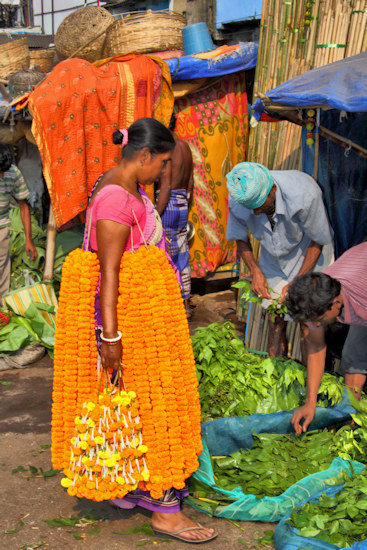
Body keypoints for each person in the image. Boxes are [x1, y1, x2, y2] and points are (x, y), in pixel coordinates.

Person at [83, 118, 217, 544]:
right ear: (142, 156)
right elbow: (109, 275)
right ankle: (165, 511)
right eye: (161, 164)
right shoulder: (114, 203)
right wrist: (110, 339)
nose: (163, 174)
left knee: (140, 411)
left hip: (148, 323)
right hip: (130, 327)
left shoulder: (126, 186)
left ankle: (135, 489)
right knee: (156, 412)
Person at [226, 162, 333, 357]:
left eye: (260, 207)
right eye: (252, 210)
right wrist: (255, 271)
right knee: (275, 318)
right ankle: (276, 378)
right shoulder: (239, 199)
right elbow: (240, 238)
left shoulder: (305, 193)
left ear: (273, 189)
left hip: (308, 252)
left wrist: (297, 282)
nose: (256, 213)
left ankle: (309, 384)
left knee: (308, 321)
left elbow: (318, 241)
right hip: (273, 256)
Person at [286, 241, 367, 434]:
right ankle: (348, 421)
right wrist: (310, 403)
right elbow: (315, 346)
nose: (317, 326)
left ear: (335, 304)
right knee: (354, 358)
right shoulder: (319, 291)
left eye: (319, 321)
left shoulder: (360, 296)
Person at [155, 116, 194, 318]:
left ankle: (173, 307)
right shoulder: (185, 146)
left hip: (168, 203)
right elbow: (190, 183)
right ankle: (186, 302)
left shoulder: (166, 149)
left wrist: (155, 213)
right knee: (182, 254)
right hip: (182, 204)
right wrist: (185, 201)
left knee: (167, 256)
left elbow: (166, 186)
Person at [0, 142, 37, 304]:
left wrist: (28, 239)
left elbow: (24, 206)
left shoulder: (13, 173)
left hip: (2, 228)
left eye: (3, 172)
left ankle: (3, 313)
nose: (1, 176)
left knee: (2, 275)